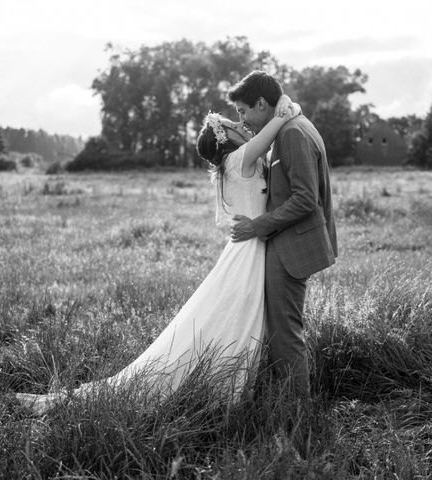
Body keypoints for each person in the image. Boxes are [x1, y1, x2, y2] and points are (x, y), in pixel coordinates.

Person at [15, 95, 300, 415]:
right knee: (236, 316)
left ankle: (229, 390)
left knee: (231, 317)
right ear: (226, 141)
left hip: (250, 247)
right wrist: (288, 110)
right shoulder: (237, 160)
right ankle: (221, 395)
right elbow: (276, 125)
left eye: (238, 121)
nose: (240, 125)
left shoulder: (242, 161)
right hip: (248, 252)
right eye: (233, 125)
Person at [228, 70, 337, 400]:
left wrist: (255, 227)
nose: (244, 120)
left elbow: (305, 199)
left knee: (285, 334)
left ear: (261, 103)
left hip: (292, 248)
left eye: (244, 111)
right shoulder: (291, 127)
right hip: (288, 243)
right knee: (282, 331)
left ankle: (296, 413)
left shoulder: (292, 133)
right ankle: (288, 403)